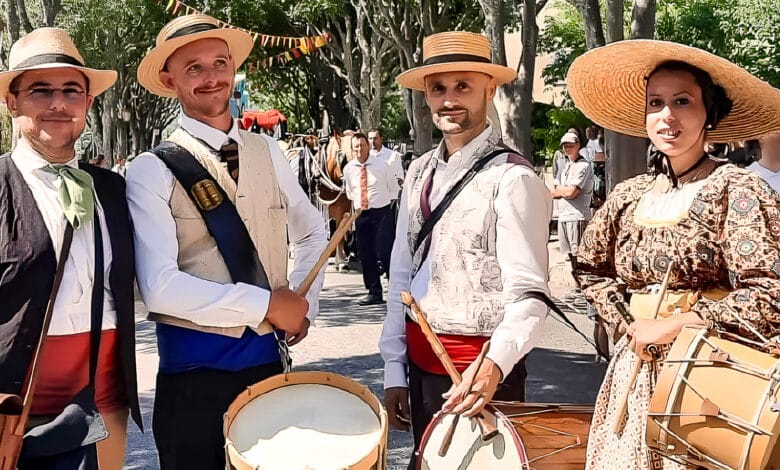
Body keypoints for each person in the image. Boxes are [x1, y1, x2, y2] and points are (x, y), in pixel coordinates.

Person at [566, 39, 780, 469]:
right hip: (634, 372)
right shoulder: (629, 196)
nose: (667, 116)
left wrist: (677, 324)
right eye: (656, 103)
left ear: (709, 114)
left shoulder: (736, 190)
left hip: (710, 378)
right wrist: (628, 325)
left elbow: (770, 292)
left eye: (682, 101)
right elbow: (589, 269)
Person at [127, 14, 328, 469]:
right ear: (169, 78)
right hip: (193, 383)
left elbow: (313, 230)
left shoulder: (270, 151)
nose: (211, 77)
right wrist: (265, 306)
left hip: (269, 373)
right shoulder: (150, 169)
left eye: (220, 63)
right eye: (193, 67)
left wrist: (301, 301)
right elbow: (158, 286)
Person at [380, 31, 551, 467]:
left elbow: (530, 296)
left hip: (485, 373)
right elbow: (402, 274)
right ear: (426, 95)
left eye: (463, 87)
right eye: (439, 88)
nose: (450, 100)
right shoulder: (418, 172)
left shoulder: (513, 179)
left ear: (489, 90)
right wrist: (393, 370)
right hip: (420, 363)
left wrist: (494, 366)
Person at [0, 27, 141, 469]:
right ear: (12, 102)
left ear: (88, 104)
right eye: (40, 90)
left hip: (103, 402)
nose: (58, 103)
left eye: (71, 91)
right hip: (13, 410)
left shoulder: (113, 190)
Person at [342, 132, 397, 305]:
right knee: (366, 254)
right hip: (361, 214)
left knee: (385, 251)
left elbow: (393, 188)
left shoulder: (382, 166)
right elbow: (350, 193)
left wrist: (384, 205)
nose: (359, 149)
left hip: (381, 212)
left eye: (362, 145)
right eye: (356, 146)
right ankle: (374, 292)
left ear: (368, 146)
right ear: (352, 149)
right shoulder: (348, 169)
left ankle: (396, 291)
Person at [368, 128, 405, 194]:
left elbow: (400, 178)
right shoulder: (366, 157)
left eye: (375, 138)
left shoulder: (393, 155)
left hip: (390, 197)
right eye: (370, 138)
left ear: (381, 138)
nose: (373, 141)